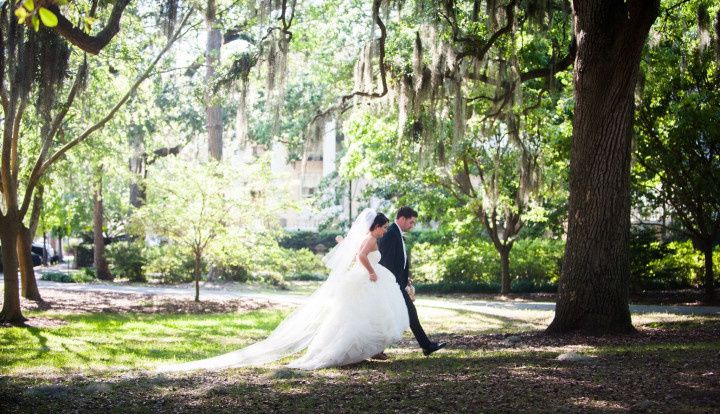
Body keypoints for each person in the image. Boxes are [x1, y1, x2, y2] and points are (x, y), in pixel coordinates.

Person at [157, 209, 409, 372]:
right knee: (360, 317)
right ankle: (358, 350)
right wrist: (372, 272)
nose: (384, 231)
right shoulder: (370, 239)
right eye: (383, 227)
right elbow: (362, 255)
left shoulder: (366, 237)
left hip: (364, 280)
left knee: (360, 317)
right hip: (367, 279)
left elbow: (356, 252)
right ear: (374, 226)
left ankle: (370, 350)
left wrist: (348, 247)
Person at [378, 206, 446, 357]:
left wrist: (404, 277)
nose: (412, 226)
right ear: (402, 218)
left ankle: (425, 346)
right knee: (403, 315)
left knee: (401, 315)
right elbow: (387, 262)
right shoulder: (390, 234)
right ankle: (426, 346)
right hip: (392, 285)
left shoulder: (396, 233)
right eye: (411, 222)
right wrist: (394, 283)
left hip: (397, 283)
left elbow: (398, 261)